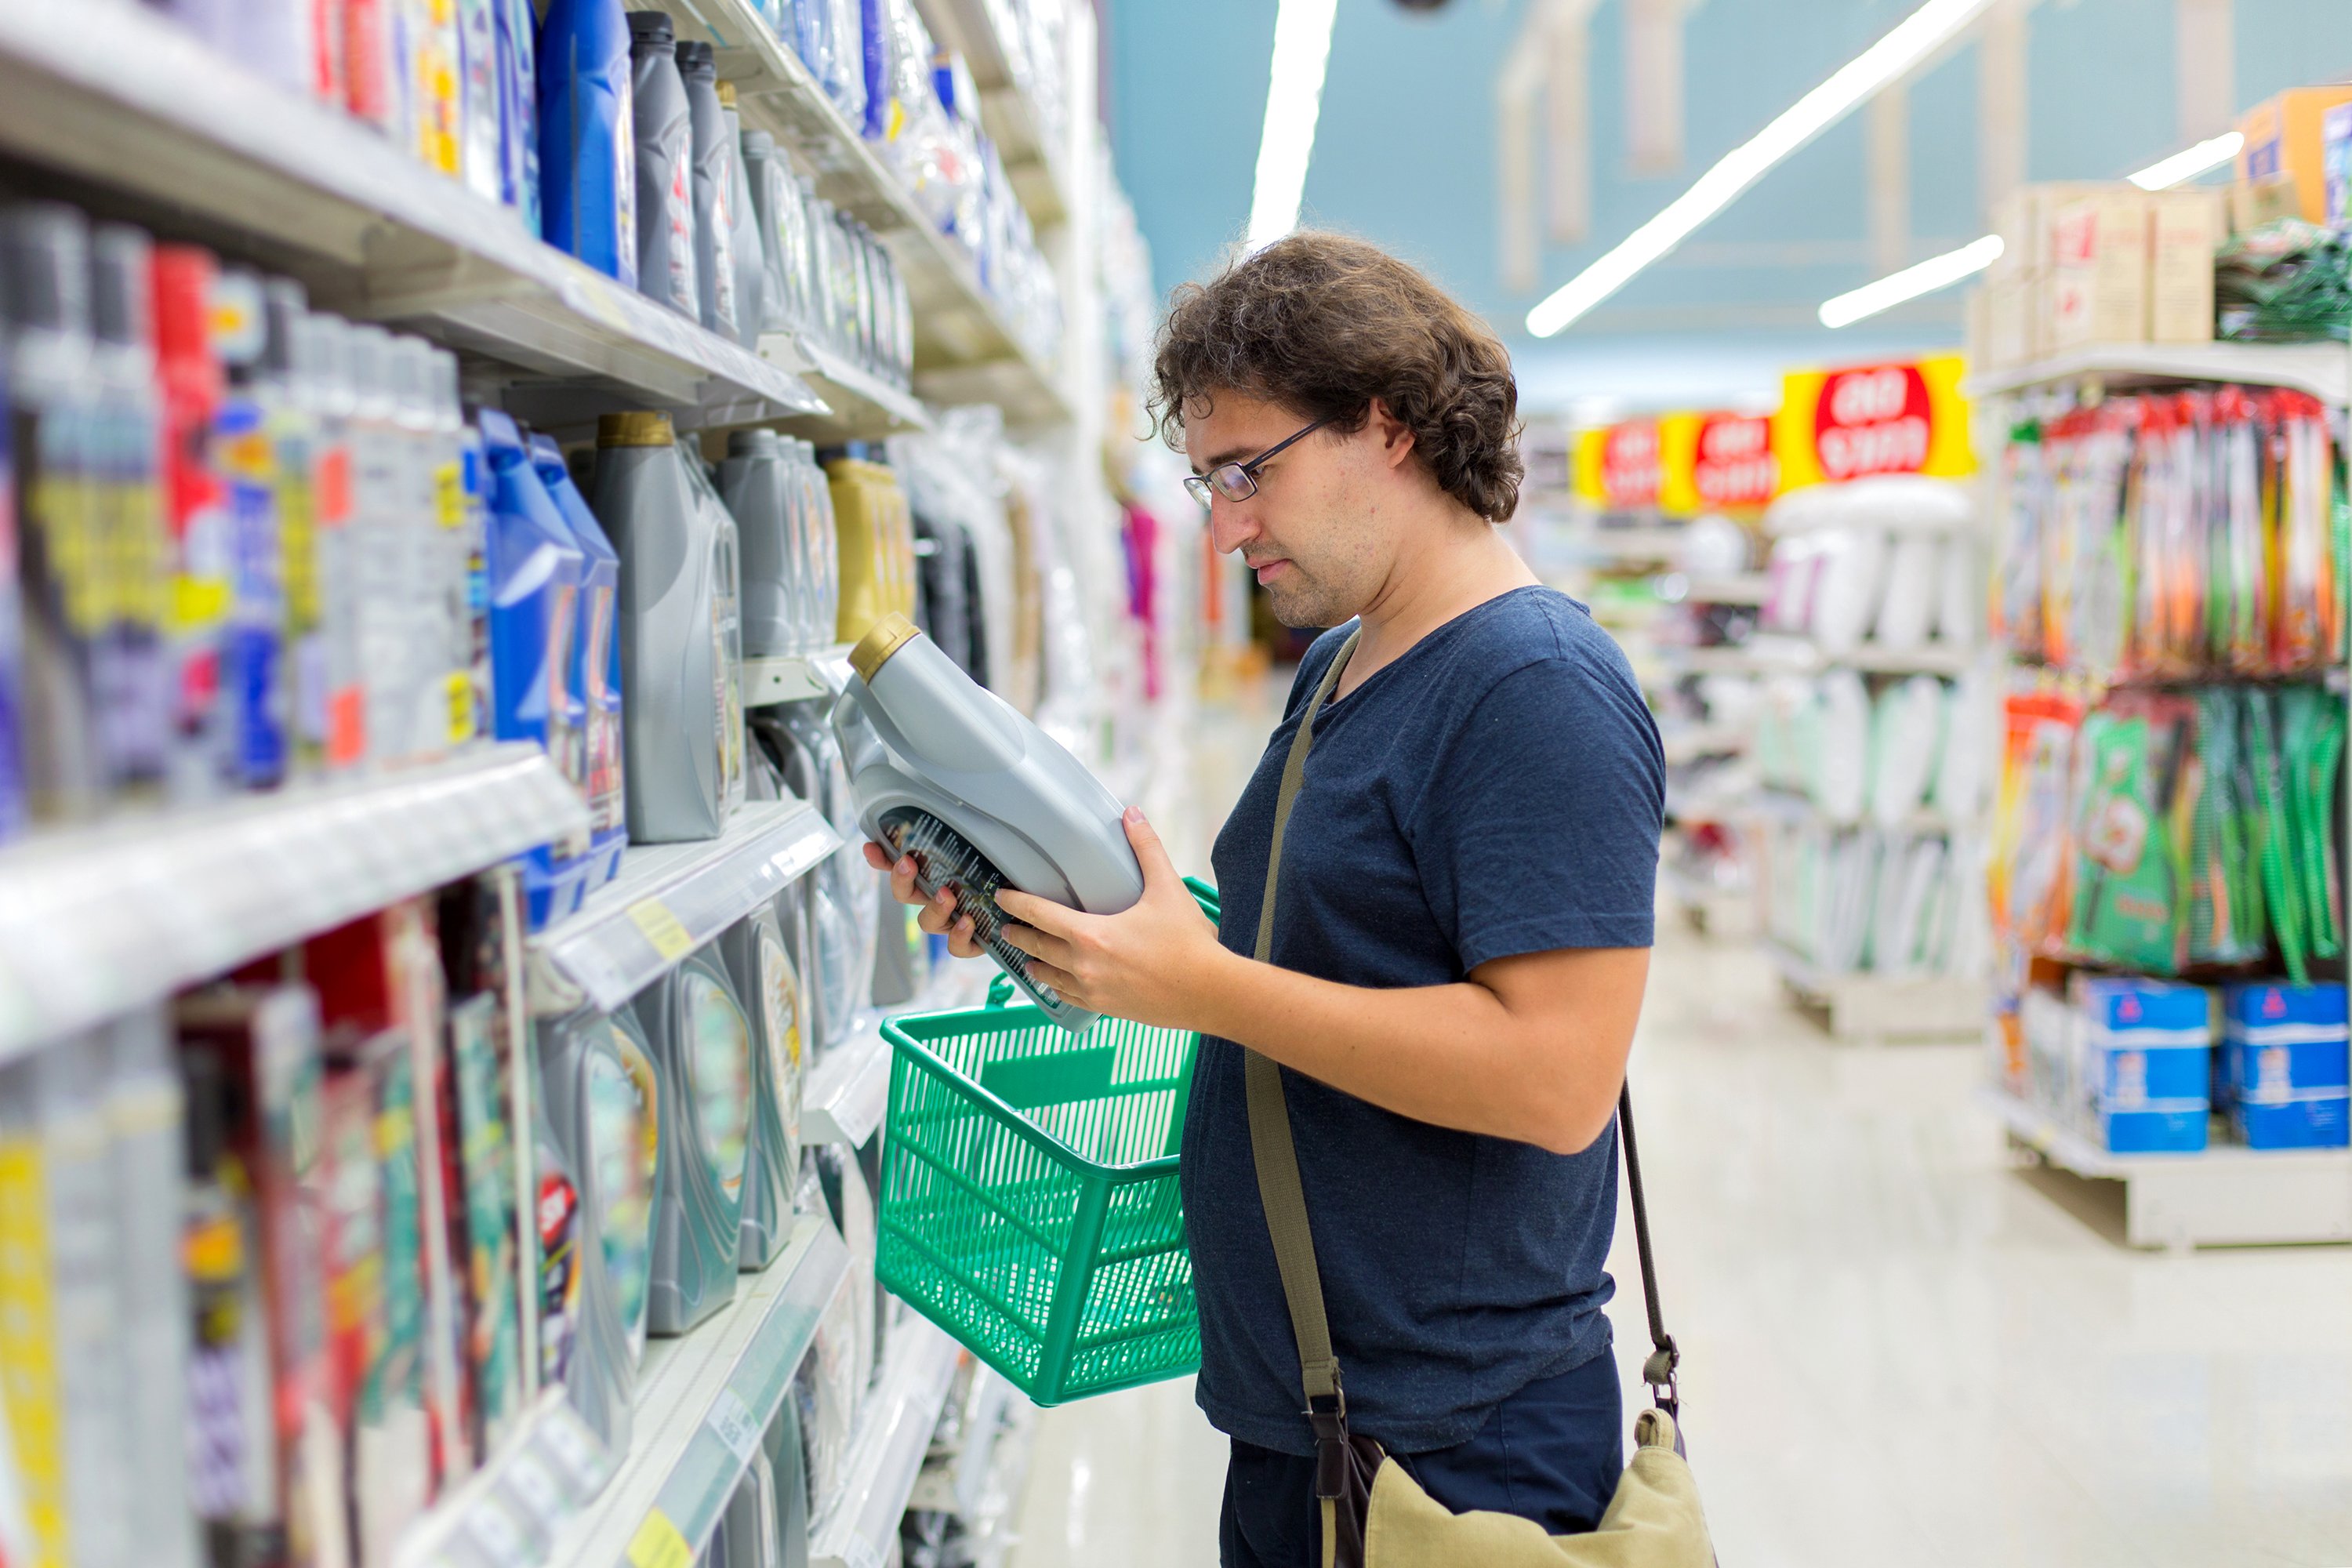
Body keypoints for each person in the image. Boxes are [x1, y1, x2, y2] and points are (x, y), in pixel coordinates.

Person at [862, 230, 1664, 1567]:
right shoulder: (1347, 660)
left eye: (1251, 473)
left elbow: (1556, 1075)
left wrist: (1201, 983)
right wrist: (1077, 925)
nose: (1223, 527)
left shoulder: (1533, 689)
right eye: (1205, 479)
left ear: (1387, 428)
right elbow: (1328, 956)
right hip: (1312, 1414)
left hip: (1459, 1447)